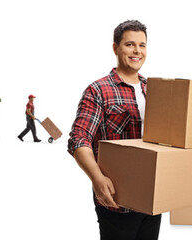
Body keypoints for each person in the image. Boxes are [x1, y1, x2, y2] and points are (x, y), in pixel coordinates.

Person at [68, 20, 159, 240]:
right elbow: (79, 140)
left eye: (142, 45)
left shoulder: (156, 90)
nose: (137, 51)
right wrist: (97, 178)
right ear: (115, 48)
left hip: (153, 196)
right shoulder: (98, 90)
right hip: (117, 199)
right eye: (130, 44)